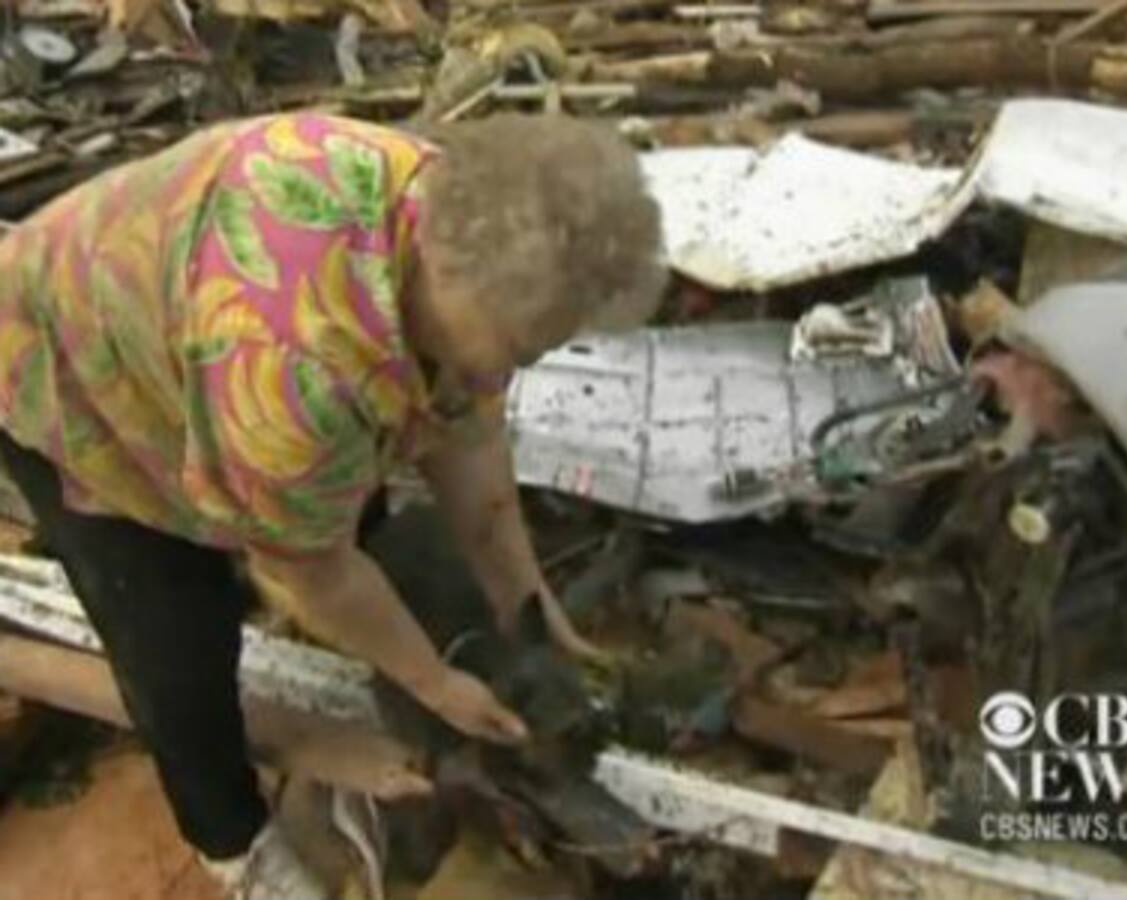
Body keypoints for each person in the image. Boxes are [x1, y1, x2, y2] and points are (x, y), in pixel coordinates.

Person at [0, 112, 665, 896]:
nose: (516, 370)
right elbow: (312, 571)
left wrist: (524, 597)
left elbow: (469, 423)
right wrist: (434, 685)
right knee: (176, 637)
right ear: (446, 271)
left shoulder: (471, 209)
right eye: (520, 350)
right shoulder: (297, 375)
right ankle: (232, 843)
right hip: (69, 363)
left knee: (328, 501)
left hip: (197, 313)